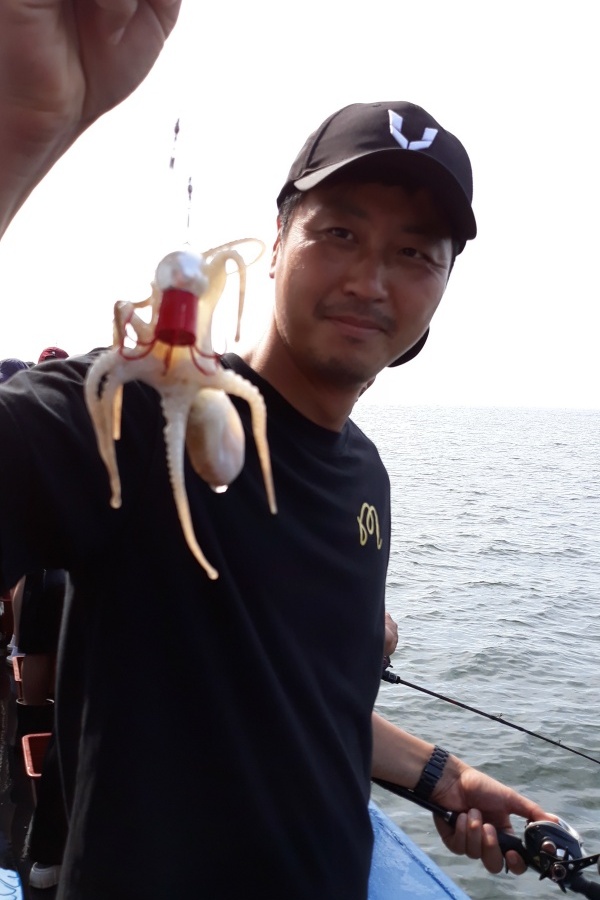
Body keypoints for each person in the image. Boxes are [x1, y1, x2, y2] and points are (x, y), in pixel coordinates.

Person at [0, 4, 556, 899]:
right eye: (339, 232)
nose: (370, 280)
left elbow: (310, 696)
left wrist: (441, 776)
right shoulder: (136, 413)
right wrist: (17, 131)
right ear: (275, 242)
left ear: (444, 287)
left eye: (416, 253)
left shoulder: (365, 473)